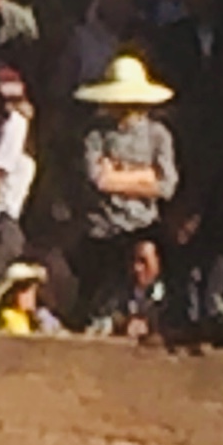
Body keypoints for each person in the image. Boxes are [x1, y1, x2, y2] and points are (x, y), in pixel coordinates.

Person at [75, 55, 180, 322]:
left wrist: (119, 175)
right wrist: (144, 176)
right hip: (102, 228)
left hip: (142, 227)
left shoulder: (158, 134)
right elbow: (98, 179)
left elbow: (166, 184)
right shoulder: (95, 134)